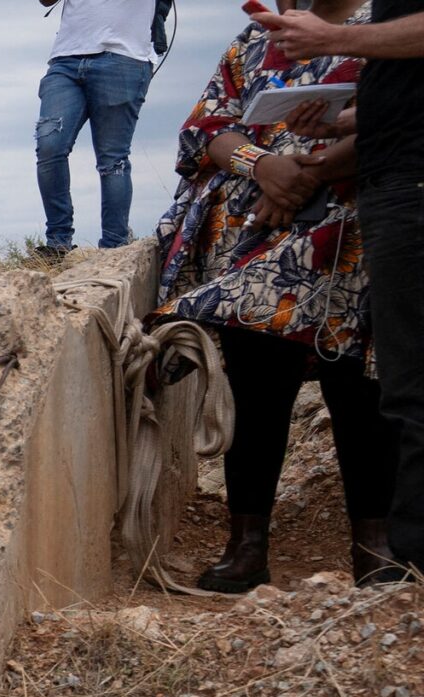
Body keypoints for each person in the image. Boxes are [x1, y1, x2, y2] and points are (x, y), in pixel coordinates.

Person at [162, 3, 392, 590]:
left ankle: (374, 547)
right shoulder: (257, 39)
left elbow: (397, 118)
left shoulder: (383, 27)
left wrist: (307, 174)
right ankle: (246, 546)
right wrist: (263, 164)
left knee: (357, 388)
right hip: (254, 238)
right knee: (256, 385)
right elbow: (207, 126)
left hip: (348, 235)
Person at [257, 2, 424, 579]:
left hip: (411, 186)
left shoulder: (351, 27)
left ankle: (411, 575)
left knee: (412, 391)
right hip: (395, 178)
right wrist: (347, 123)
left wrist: (332, 38)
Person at [36, 0, 172, 255]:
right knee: (49, 146)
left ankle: (113, 249)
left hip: (124, 56)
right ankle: (57, 244)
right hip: (66, 57)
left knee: (112, 160)